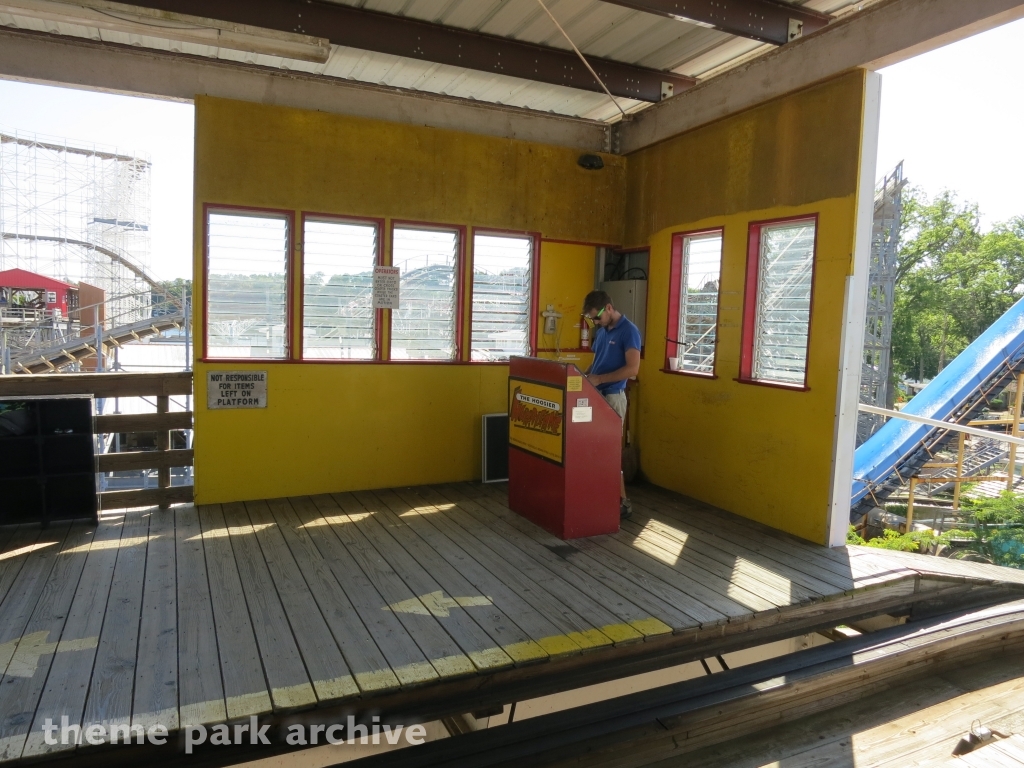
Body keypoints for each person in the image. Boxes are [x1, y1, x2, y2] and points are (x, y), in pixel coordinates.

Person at [582, 290, 641, 519]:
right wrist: (582, 377)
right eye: (591, 319)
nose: (595, 322)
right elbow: (596, 364)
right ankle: (596, 495)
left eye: (596, 317)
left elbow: (633, 369)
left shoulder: (629, 331)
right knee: (591, 449)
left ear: (608, 308)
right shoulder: (603, 332)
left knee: (609, 451)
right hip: (594, 394)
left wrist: (600, 380)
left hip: (613, 396)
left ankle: (621, 501)